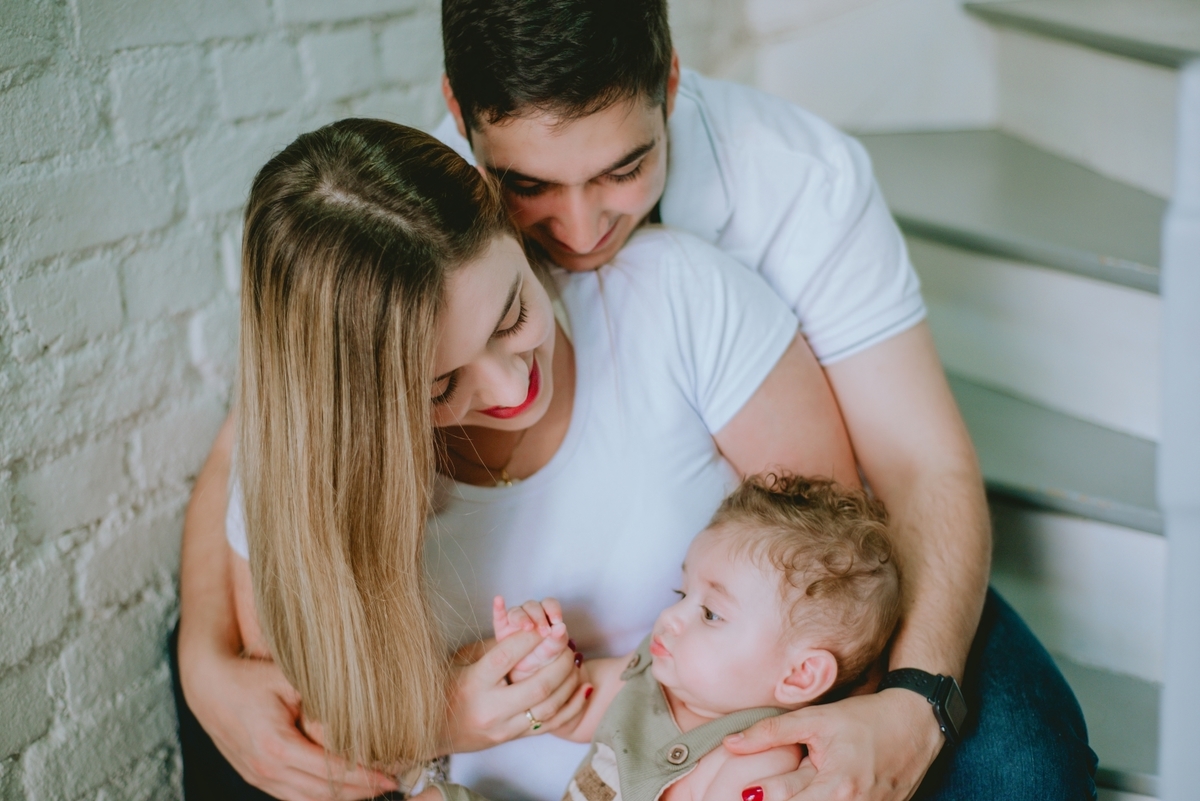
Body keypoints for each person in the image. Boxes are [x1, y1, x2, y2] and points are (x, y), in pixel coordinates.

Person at [430, 0, 1097, 798]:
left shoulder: (801, 180)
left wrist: (913, 705)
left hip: (832, 574)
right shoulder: (420, 193)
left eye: (624, 169)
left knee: (1022, 774)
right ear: (457, 114)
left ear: (671, 82)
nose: (577, 228)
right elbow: (274, 426)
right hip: (654, 642)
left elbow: (923, 467)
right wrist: (230, 674)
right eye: (528, 184)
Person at [174, 116, 860, 800]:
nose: (511, 388)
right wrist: (443, 718)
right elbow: (310, 712)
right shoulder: (306, 469)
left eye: (511, 315)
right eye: (441, 385)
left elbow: (844, 585)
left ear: (507, 228)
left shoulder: (671, 298)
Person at [484, 474, 902, 801]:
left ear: (799, 675)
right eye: (681, 594)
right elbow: (573, 712)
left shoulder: (757, 761)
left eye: (710, 613)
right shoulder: (650, 675)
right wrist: (538, 662)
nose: (669, 617)